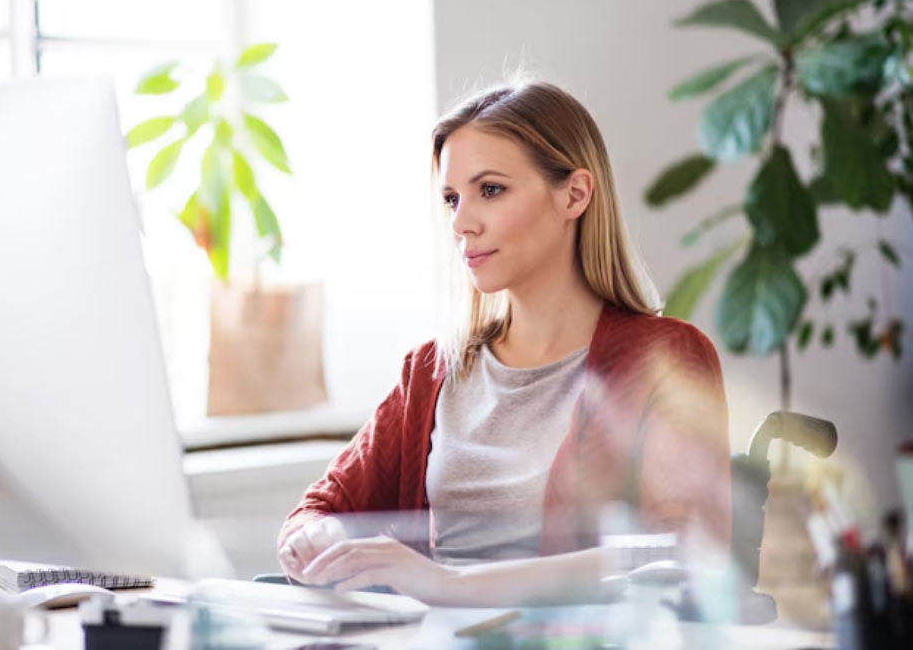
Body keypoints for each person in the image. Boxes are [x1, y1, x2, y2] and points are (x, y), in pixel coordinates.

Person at [277, 80, 732, 607]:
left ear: (575, 194)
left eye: (489, 190)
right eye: (452, 198)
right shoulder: (431, 371)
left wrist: (452, 585)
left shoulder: (665, 359)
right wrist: (319, 540)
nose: (461, 222)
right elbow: (319, 511)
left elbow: (678, 548)